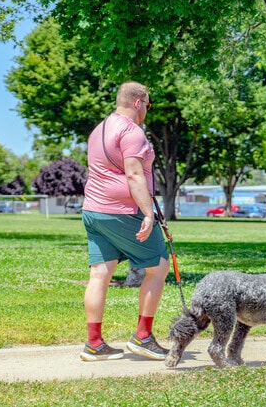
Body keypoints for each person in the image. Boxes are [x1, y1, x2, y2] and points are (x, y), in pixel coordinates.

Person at [79, 81, 170, 362]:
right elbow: (133, 175)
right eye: (148, 105)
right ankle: (143, 337)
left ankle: (94, 344)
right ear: (138, 103)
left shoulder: (100, 129)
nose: (147, 111)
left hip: (93, 211)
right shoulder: (132, 132)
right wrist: (148, 212)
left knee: (99, 274)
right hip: (122, 212)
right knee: (159, 267)